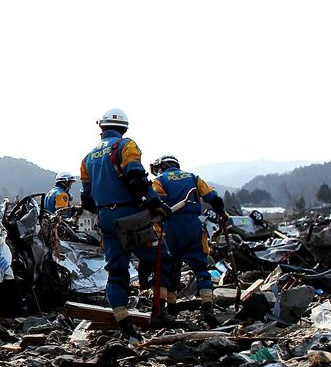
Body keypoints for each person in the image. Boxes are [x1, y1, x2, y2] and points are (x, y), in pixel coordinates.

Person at [80, 108, 176, 338]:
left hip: (106, 218)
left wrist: (106, 211)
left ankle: (125, 326)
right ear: (123, 128)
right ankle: (158, 312)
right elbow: (136, 177)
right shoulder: (125, 146)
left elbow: (86, 198)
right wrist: (154, 204)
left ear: (101, 128)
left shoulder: (87, 158)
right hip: (130, 217)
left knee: (116, 272)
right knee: (163, 259)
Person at [150, 155, 226, 327]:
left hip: (171, 228)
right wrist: (222, 213)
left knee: (170, 269)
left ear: (162, 166)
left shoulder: (160, 180)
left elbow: (155, 204)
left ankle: (169, 309)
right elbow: (213, 198)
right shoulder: (193, 178)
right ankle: (207, 307)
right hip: (192, 225)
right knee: (201, 267)